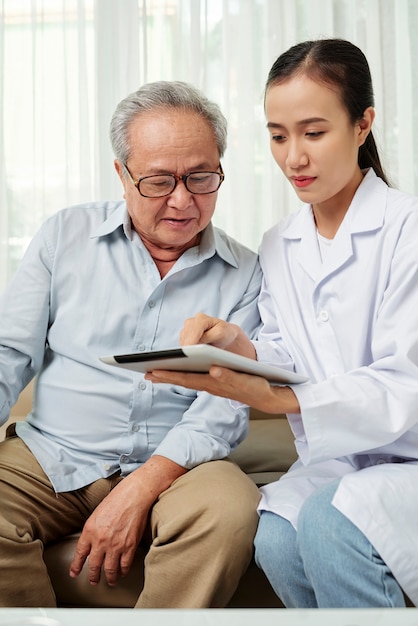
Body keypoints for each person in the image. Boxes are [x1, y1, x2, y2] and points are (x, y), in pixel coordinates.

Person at [145, 40, 418, 608]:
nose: (294, 157)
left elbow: (404, 384)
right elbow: (287, 352)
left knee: (327, 519)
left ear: (362, 125)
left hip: (409, 460)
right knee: (276, 533)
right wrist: (236, 346)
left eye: (313, 133)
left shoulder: (407, 230)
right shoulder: (281, 244)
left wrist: (282, 402)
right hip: (343, 461)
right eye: (278, 135)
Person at [0, 81, 262, 608]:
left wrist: (140, 487)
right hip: (53, 454)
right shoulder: (63, 238)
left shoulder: (248, 273)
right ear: (122, 174)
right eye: (160, 180)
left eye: (202, 177)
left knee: (230, 510)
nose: (184, 200)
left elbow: (223, 408)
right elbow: (9, 354)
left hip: (179, 468)